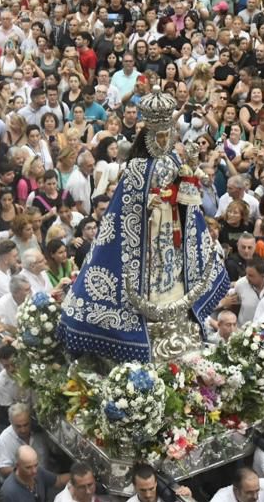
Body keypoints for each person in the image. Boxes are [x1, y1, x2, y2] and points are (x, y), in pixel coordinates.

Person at [59, 88, 229, 362]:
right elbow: (125, 207)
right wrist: (147, 204)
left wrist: (185, 184)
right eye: (159, 136)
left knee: (170, 262)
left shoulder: (175, 159)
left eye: (167, 136)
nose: (164, 141)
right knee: (151, 263)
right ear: (149, 137)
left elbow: (187, 191)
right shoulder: (136, 169)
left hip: (171, 220)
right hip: (146, 228)